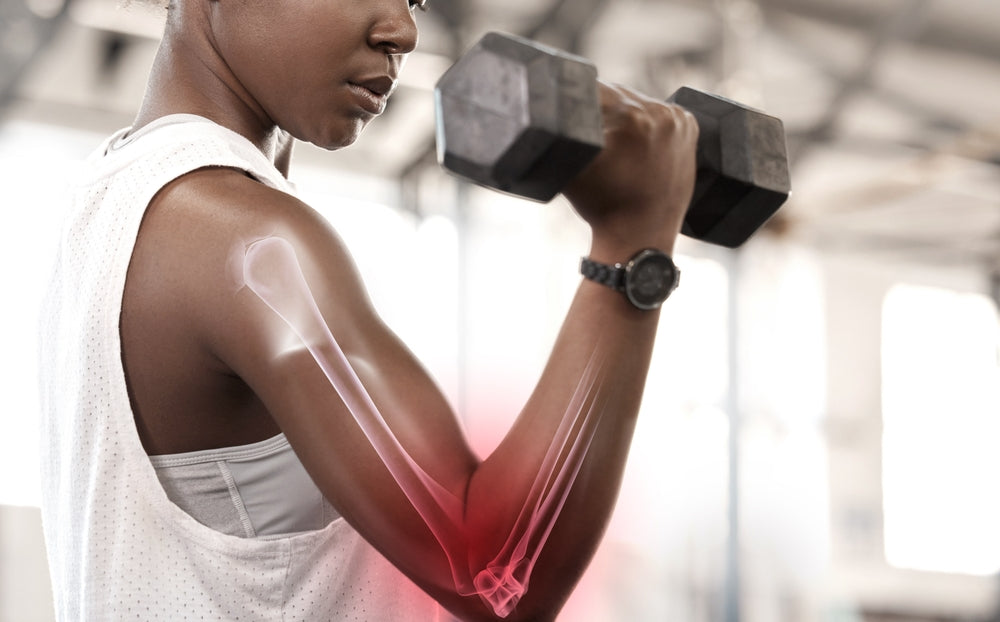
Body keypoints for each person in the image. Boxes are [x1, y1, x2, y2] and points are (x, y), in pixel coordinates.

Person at [37, 0, 698, 620]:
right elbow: (497, 576)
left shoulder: (109, 200)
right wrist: (632, 244)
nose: (404, 32)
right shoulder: (247, 242)